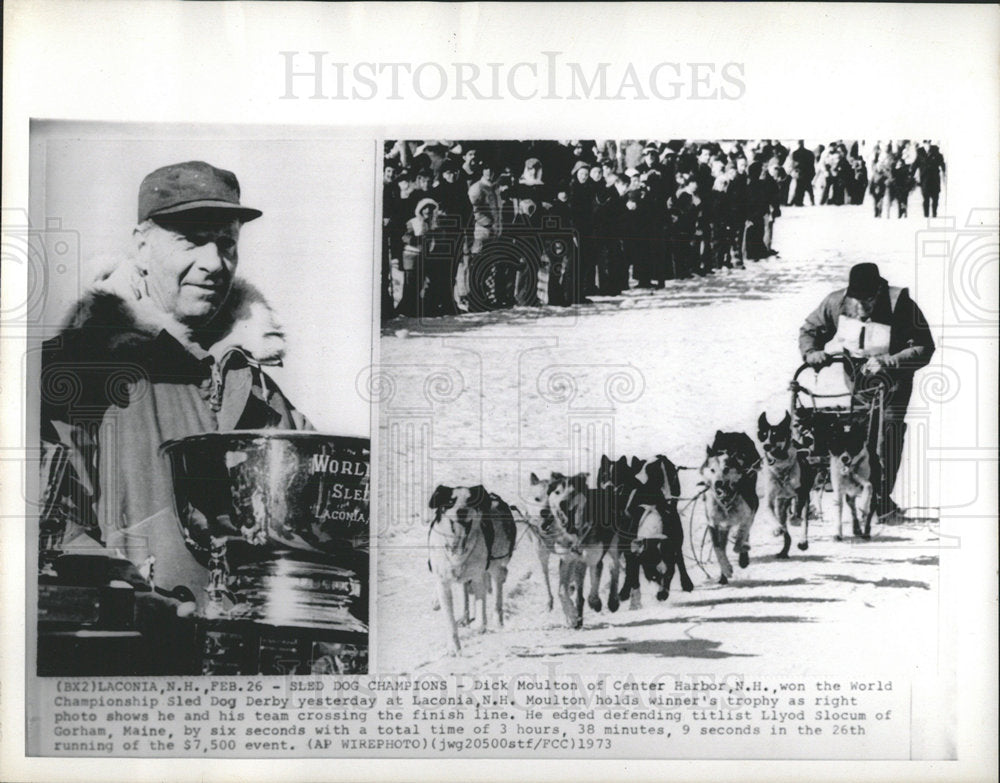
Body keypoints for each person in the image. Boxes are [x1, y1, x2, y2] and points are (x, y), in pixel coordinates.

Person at [40, 161, 312, 616]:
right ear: (141, 246)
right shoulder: (75, 375)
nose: (213, 263)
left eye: (226, 243)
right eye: (191, 239)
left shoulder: (259, 391)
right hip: (131, 655)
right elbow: (44, 535)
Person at [799, 262, 935, 518]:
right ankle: (862, 492)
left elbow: (924, 347)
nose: (861, 307)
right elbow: (810, 330)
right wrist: (812, 352)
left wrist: (889, 361)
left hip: (893, 382)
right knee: (860, 438)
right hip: (857, 380)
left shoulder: (901, 305)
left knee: (887, 435)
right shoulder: (835, 302)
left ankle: (882, 498)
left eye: (868, 300)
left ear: (879, 292)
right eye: (856, 300)